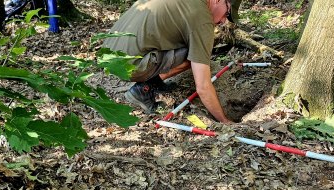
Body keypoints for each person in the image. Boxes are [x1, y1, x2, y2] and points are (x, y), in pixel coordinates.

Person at [103, 0, 243, 124]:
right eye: (227, 13)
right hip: (130, 64)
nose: (225, 21)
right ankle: (144, 89)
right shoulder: (202, 17)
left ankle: (154, 81)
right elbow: (203, 87)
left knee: (193, 47)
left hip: (108, 53)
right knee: (196, 53)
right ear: (217, 0)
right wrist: (224, 121)